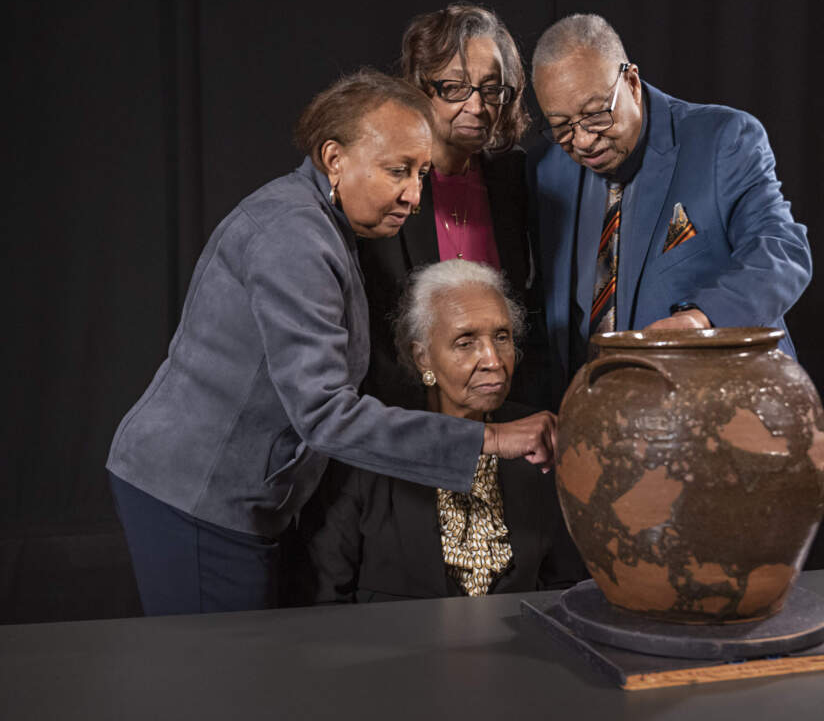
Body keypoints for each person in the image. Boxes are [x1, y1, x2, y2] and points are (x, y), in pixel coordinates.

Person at [105, 70, 557, 616]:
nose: (414, 196)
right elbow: (324, 414)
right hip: (197, 497)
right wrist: (493, 440)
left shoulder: (324, 223)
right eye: (398, 171)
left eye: (420, 173)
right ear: (334, 159)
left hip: (226, 497)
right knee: (216, 680)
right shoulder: (294, 237)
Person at [529, 14, 812, 403]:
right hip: (599, 423)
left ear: (630, 82)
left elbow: (782, 252)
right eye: (561, 125)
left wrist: (700, 320)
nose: (582, 140)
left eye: (596, 114)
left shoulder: (723, 139)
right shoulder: (547, 170)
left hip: (724, 414)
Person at [303, 260, 585, 602]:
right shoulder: (371, 443)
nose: (493, 360)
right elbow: (325, 598)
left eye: (502, 337)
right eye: (466, 342)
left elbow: (566, 585)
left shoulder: (540, 438)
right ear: (423, 358)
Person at [358, 3, 546, 411]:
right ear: (421, 88)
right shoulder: (384, 183)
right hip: (403, 417)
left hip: (500, 409)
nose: (478, 107)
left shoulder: (515, 177)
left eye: (492, 88)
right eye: (455, 88)